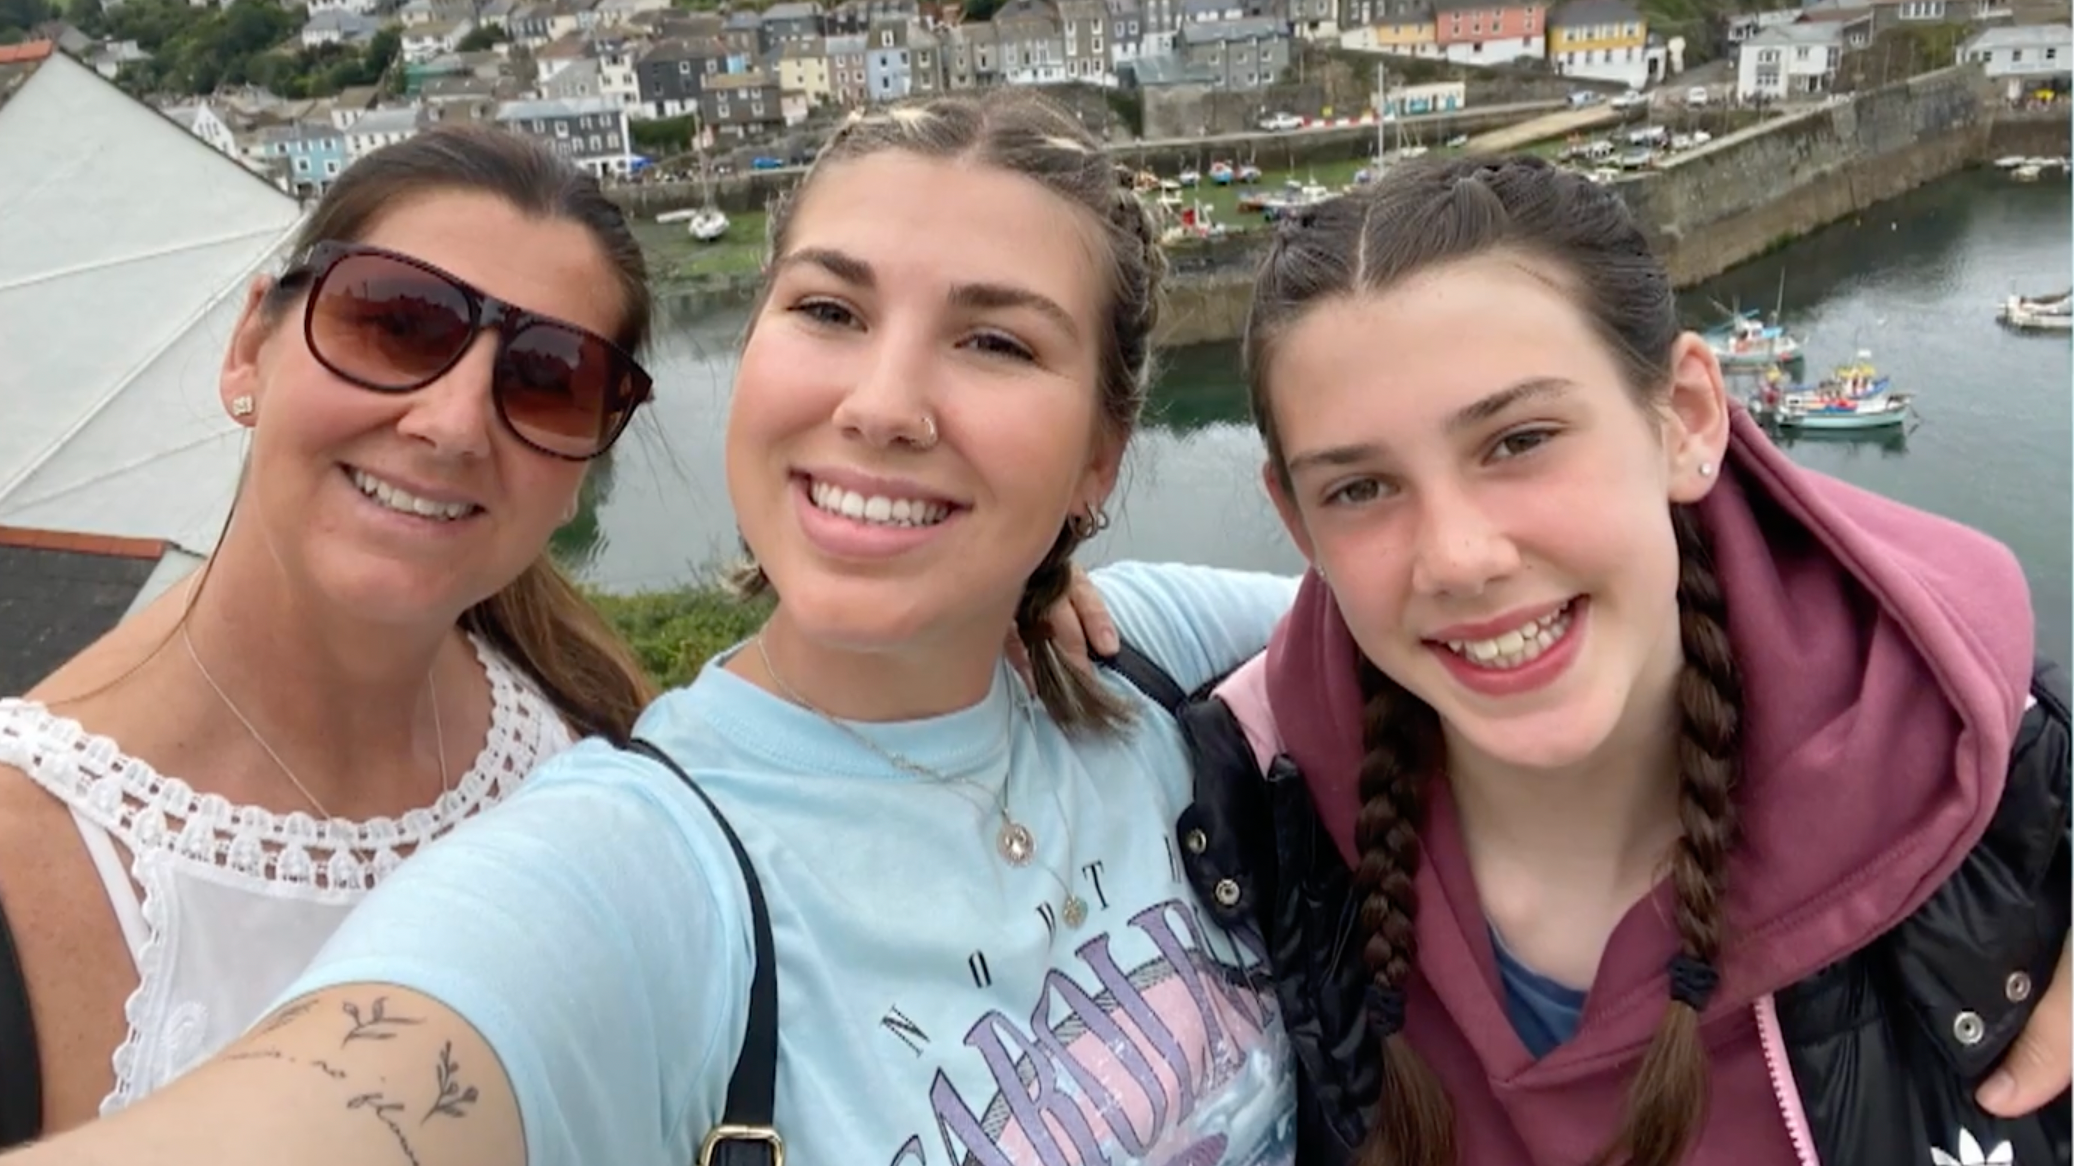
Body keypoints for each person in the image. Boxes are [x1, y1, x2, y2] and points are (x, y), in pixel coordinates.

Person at [1, 90, 1303, 1166]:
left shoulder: (1137, 660)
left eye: (997, 342)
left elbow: (1412, 606)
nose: (882, 402)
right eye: (830, 310)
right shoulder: (635, 859)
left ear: (1100, 454)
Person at [1171, 154, 2072, 1166]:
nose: (1459, 557)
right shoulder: (1263, 825)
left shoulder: (2008, 810)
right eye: (1360, 490)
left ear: (1685, 416)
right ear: (1298, 522)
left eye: (1519, 440)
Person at [0, 124, 660, 1145]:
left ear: (580, 470)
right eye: (395, 323)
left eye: (549, 379)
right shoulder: (26, 859)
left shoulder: (603, 751)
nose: (452, 423)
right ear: (248, 351)